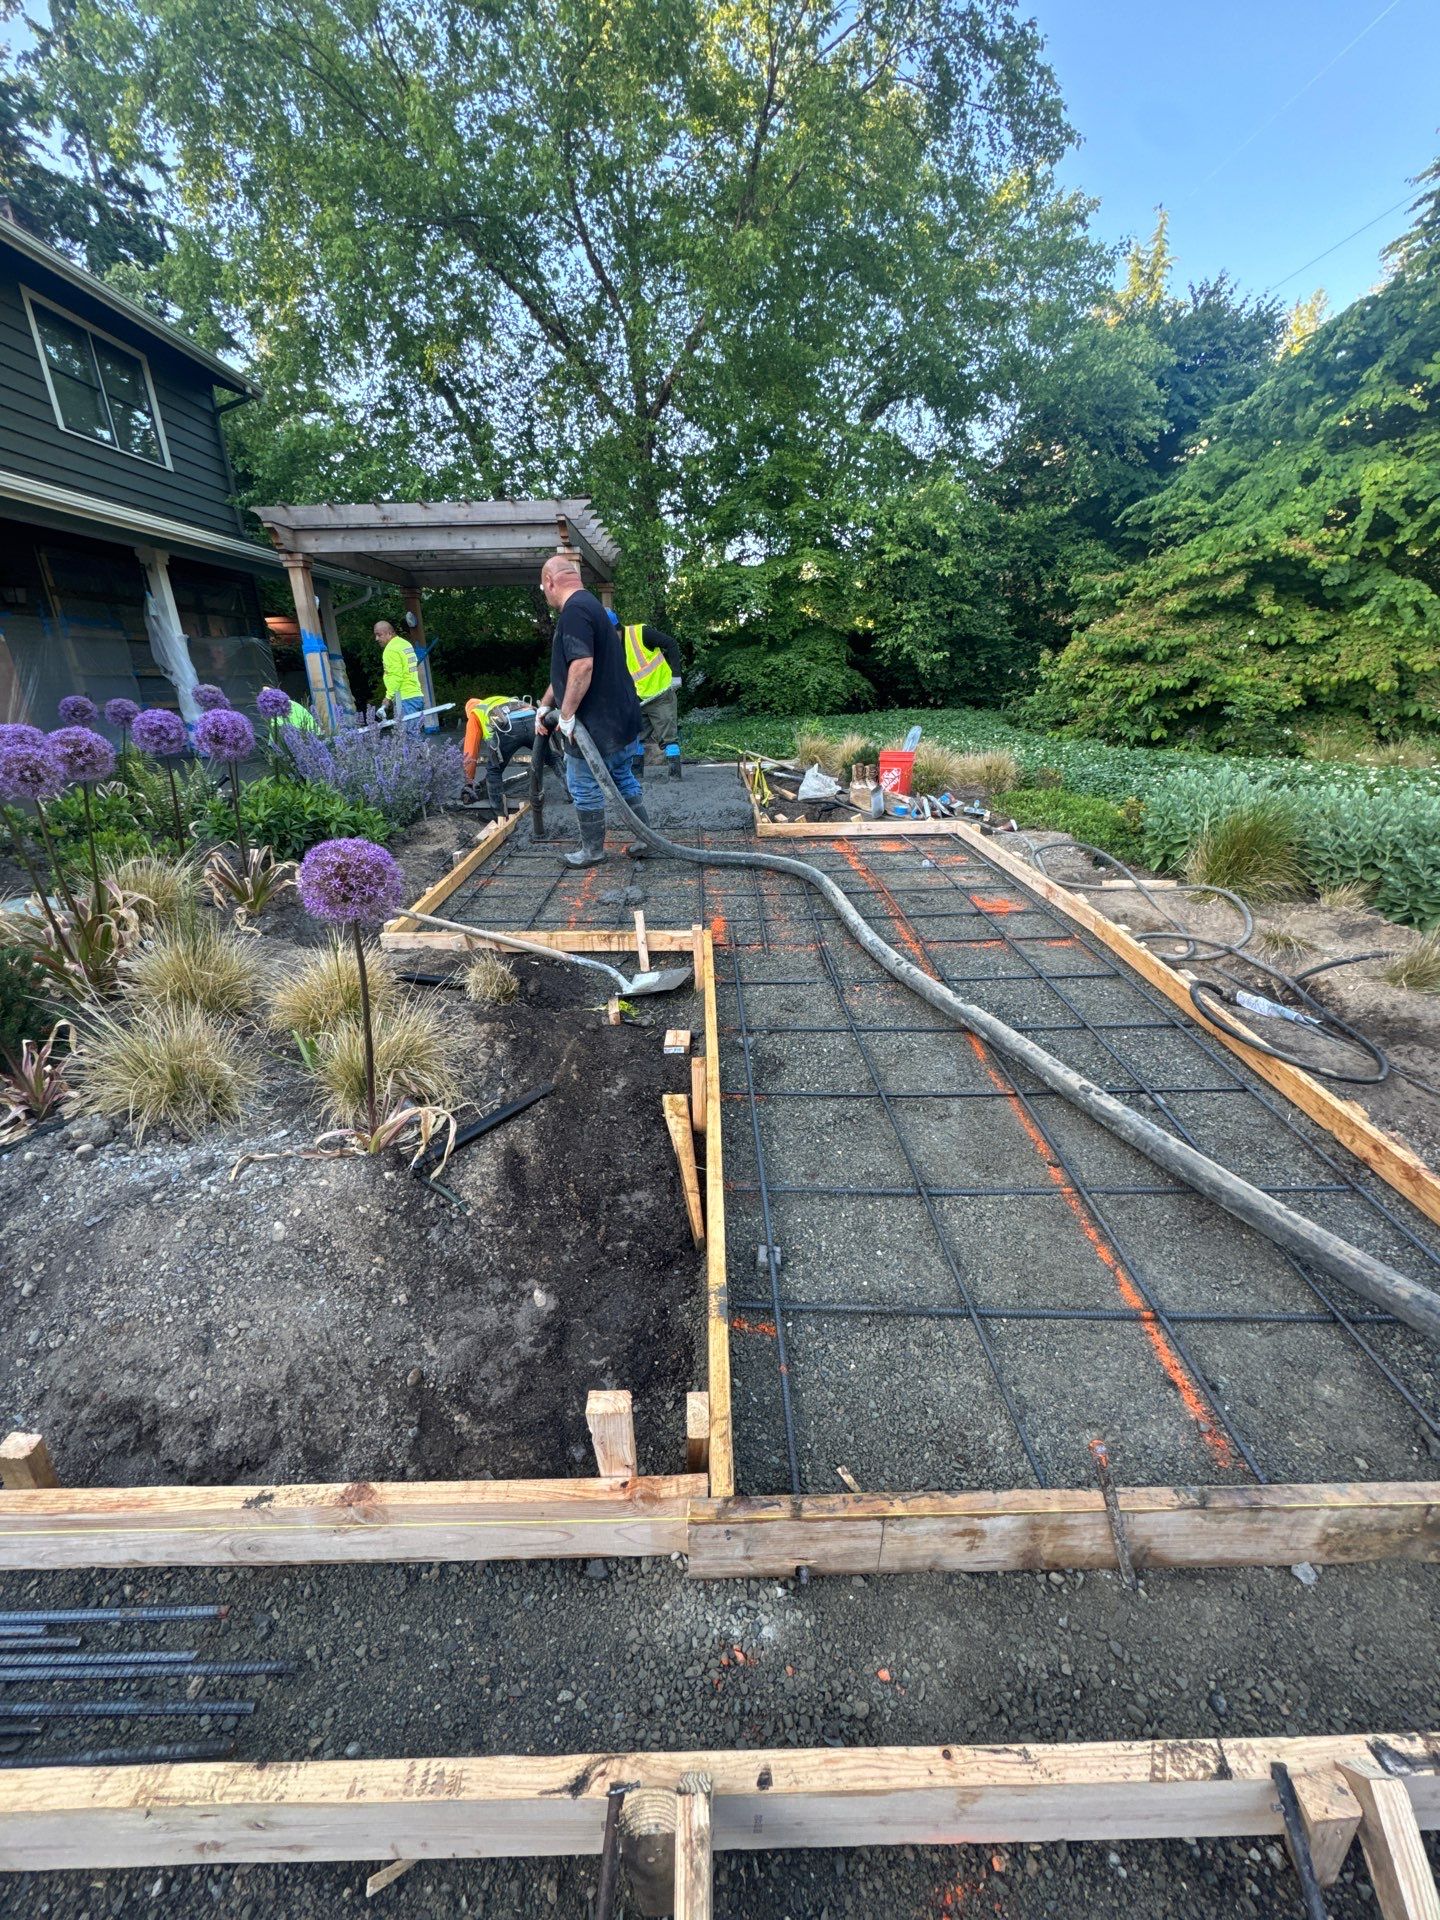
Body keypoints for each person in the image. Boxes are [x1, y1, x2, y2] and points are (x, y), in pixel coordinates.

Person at [536, 553, 647, 867]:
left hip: (596, 726)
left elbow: (582, 667)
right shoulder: (593, 608)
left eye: (543, 587)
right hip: (620, 720)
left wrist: (567, 716)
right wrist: (544, 707)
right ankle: (644, 838)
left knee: (583, 784)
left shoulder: (574, 612)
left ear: (550, 581)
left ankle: (593, 851)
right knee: (622, 776)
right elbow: (568, 671)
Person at [610, 611, 684, 779]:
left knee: (668, 737)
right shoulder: (612, 648)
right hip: (639, 697)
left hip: (662, 694)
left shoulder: (640, 633)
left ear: (617, 629)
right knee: (636, 737)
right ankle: (636, 776)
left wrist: (676, 675)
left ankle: (675, 776)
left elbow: (671, 644)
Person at [461, 694, 537, 815]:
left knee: (494, 771)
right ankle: (570, 796)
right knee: (553, 758)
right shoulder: (499, 701)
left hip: (510, 729)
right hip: (532, 717)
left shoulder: (475, 713)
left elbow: (470, 752)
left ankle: (499, 814)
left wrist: (469, 782)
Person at [373, 620, 425, 732]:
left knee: (409, 739)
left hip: (405, 698)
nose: (376, 639)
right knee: (414, 735)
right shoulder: (405, 644)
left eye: (379, 635)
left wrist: (388, 698)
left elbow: (395, 676)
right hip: (416, 695)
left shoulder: (390, 650)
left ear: (390, 633)